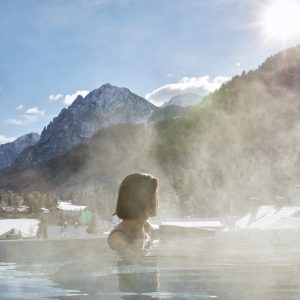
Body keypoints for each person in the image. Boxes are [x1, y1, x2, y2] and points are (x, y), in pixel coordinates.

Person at [108, 173, 159, 251]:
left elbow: (162, 230)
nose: (157, 200)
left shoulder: (144, 226)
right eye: (154, 195)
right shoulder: (119, 237)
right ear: (143, 200)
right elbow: (129, 261)